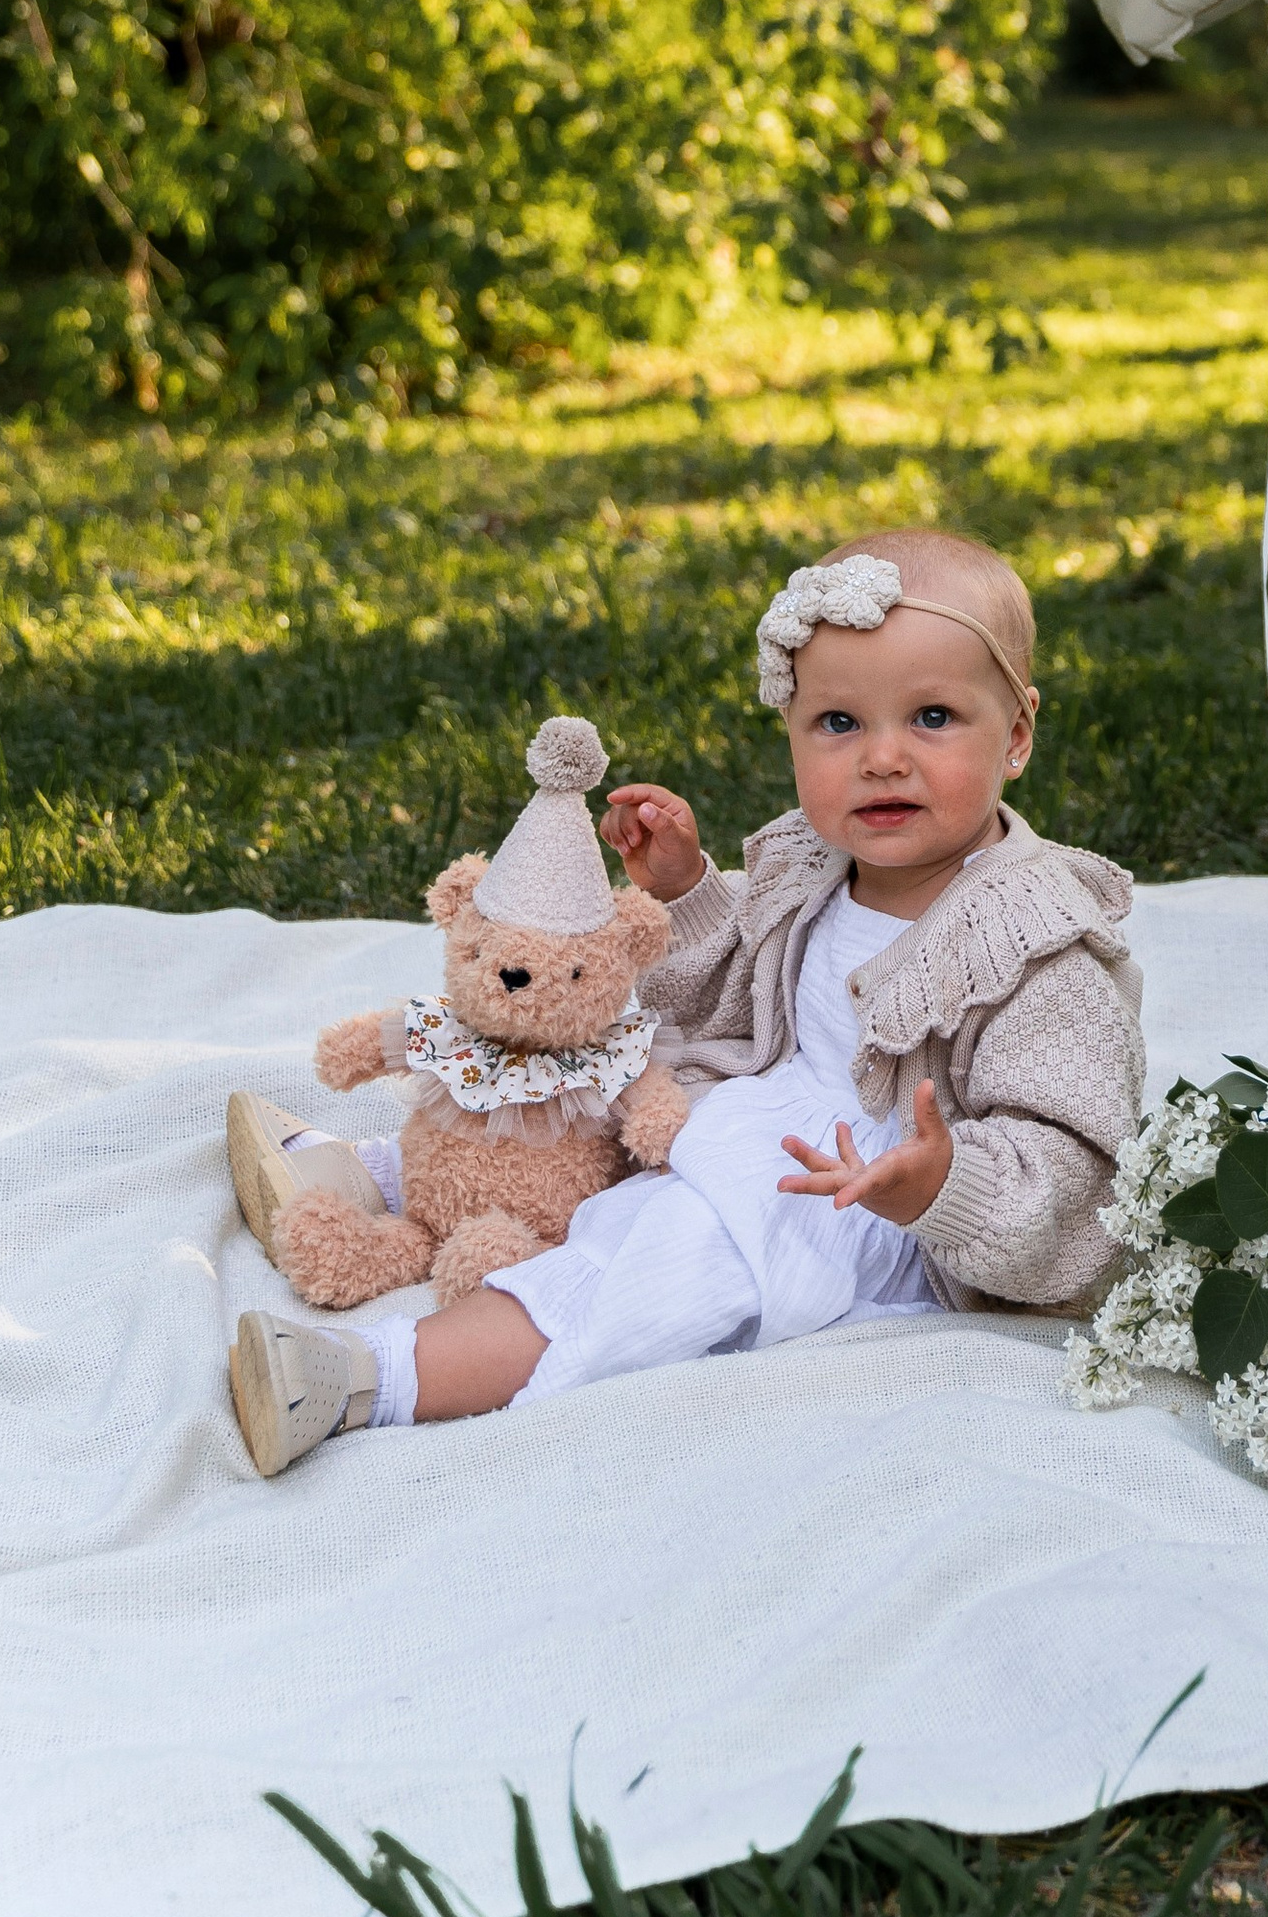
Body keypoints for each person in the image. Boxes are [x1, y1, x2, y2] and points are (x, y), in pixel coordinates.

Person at [228, 528, 1144, 1476]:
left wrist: (943, 1182)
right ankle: (384, 1173)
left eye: (933, 718)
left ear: (1020, 735)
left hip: (854, 1201)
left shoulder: (1040, 944)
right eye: (839, 724)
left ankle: (363, 1377)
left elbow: (1081, 1174)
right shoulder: (820, 864)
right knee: (611, 1064)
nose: (882, 759)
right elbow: (739, 991)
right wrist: (691, 890)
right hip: (754, 1107)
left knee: (651, 1259)